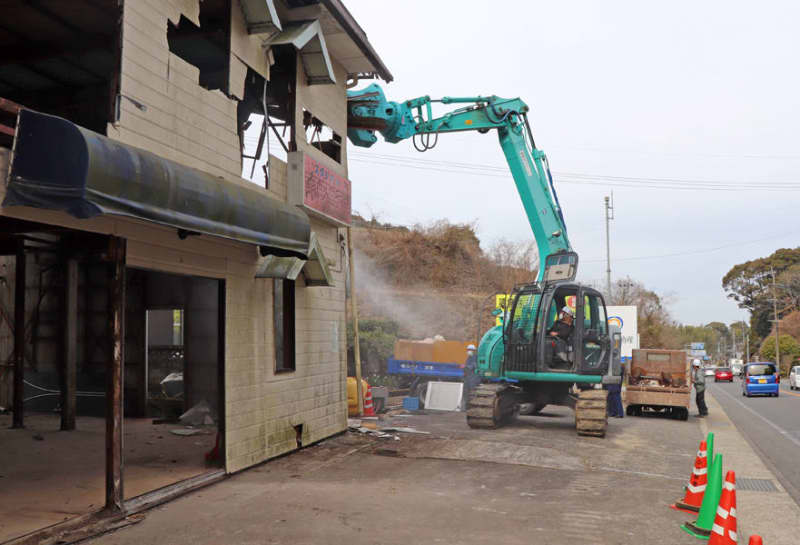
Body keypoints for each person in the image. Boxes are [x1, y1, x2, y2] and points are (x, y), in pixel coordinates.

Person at [461, 344, 480, 411]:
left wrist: (465, 367)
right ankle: (466, 408)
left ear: (474, 351)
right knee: (466, 393)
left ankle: (472, 408)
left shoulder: (475, 357)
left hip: (473, 379)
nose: (468, 351)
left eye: (470, 350)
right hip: (468, 378)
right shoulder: (469, 357)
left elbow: (474, 366)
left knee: (472, 393)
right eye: (468, 350)